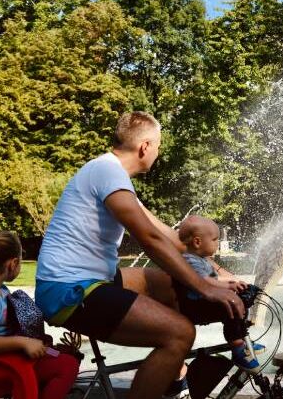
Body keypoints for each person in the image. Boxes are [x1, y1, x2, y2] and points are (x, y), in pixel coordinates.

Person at [35, 111, 243, 399]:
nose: (157, 153)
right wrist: (204, 287)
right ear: (145, 146)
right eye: (158, 146)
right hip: (69, 291)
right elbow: (150, 238)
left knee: (166, 285)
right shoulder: (107, 172)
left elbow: (175, 241)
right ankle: (172, 363)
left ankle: (172, 374)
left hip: (91, 281)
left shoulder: (112, 176)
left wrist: (219, 276)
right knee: (180, 333)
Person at [0, 231, 79, 399]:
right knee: (67, 366)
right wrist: (24, 342)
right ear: (13, 263)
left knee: (66, 357)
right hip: (4, 363)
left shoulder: (1, 291)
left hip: (12, 354)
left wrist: (45, 347)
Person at [175, 215, 265, 372]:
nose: (218, 243)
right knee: (230, 307)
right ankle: (238, 349)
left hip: (201, 301)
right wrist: (229, 285)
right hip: (194, 306)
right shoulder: (190, 260)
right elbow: (203, 281)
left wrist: (233, 283)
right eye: (215, 239)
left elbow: (213, 278)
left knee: (240, 301)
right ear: (197, 242)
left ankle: (243, 338)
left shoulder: (200, 259)